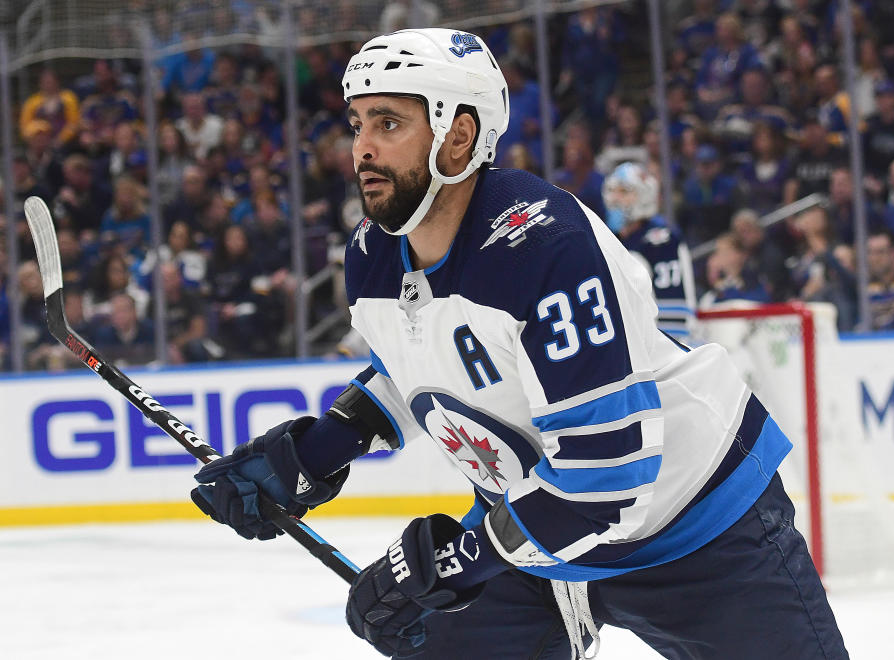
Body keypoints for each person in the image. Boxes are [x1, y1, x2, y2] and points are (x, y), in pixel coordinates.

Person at [190, 28, 847, 660]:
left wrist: (457, 560)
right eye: (357, 123)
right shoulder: (373, 254)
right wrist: (314, 452)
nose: (362, 147)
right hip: (535, 531)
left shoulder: (543, 247)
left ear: (458, 135)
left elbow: (607, 479)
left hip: (694, 527)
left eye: (388, 124)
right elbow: (418, 374)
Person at [601, 162, 696, 340]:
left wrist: (670, 348)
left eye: (624, 192)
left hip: (659, 347)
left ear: (644, 196)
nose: (615, 198)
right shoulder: (606, 239)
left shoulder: (661, 240)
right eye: (612, 190)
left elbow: (673, 310)